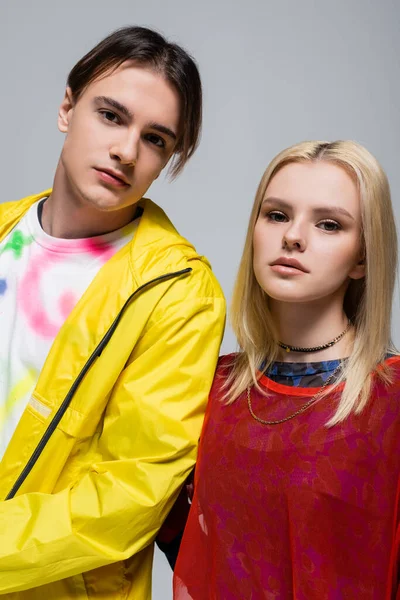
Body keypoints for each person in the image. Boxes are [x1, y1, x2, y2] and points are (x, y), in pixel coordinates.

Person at [0, 26, 225, 598]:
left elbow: (130, 495)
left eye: (155, 139)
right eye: (111, 115)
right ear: (67, 108)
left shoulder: (179, 294)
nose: (127, 150)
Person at [172, 140, 400, 599]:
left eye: (329, 224)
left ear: (362, 257)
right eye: (276, 215)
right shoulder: (209, 386)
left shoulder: (391, 402)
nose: (293, 236)